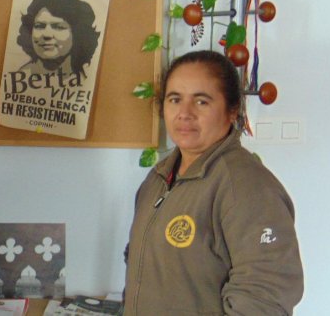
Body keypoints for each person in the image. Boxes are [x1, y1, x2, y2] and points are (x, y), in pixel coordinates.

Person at [124, 50, 304, 315]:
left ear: (232, 111)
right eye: (175, 99)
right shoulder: (158, 178)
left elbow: (265, 299)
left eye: (202, 102)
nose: (184, 113)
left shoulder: (246, 188)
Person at [16, 0, 100, 77]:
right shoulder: (20, 76)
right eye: (39, 26)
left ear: (76, 34)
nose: (47, 35)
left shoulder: (84, 78)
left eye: (59, 27)